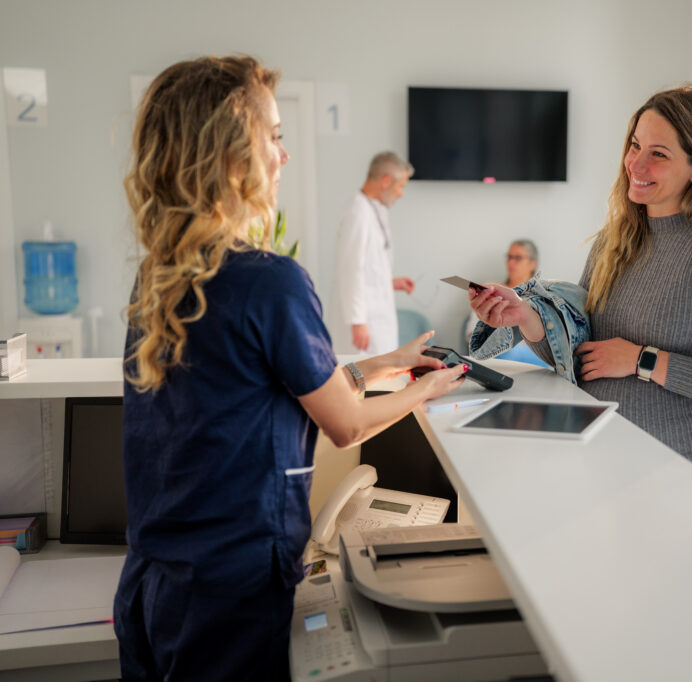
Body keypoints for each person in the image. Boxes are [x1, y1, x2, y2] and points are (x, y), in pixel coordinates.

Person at [115, 56, 466, 681]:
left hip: (151, 589)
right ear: (229, 153)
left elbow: (263, 392)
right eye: (274, 136)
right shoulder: (269, 282)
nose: (285, 155)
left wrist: (387, 363)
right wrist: (431, 388)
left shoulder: (161, 279)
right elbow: (346, 426)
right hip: (231, 596)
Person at [468, 84, 692, 492]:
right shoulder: (612, 241)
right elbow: (578, 354)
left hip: (687, 473)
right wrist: (524, 317)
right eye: (635, 146)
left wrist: (642, 360)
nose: (637, 164)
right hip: (606, 463)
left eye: (659, 154)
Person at [329, 151, 416, 355]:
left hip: (375, 317)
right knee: (367, 380)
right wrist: (358, 321)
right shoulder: (357, 213)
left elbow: (369, 268)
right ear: (386, 181)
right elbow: (351, 270)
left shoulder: (373, 209)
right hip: (364, 323)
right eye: (400, 186)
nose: (401, 193)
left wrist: (391, 282)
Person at [462, 238, 539, 343]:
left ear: (532, 264)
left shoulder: (544, 298)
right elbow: (471, 335)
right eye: (509, 257)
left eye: (518, 258)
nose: (511, 262)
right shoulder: (491, 291)